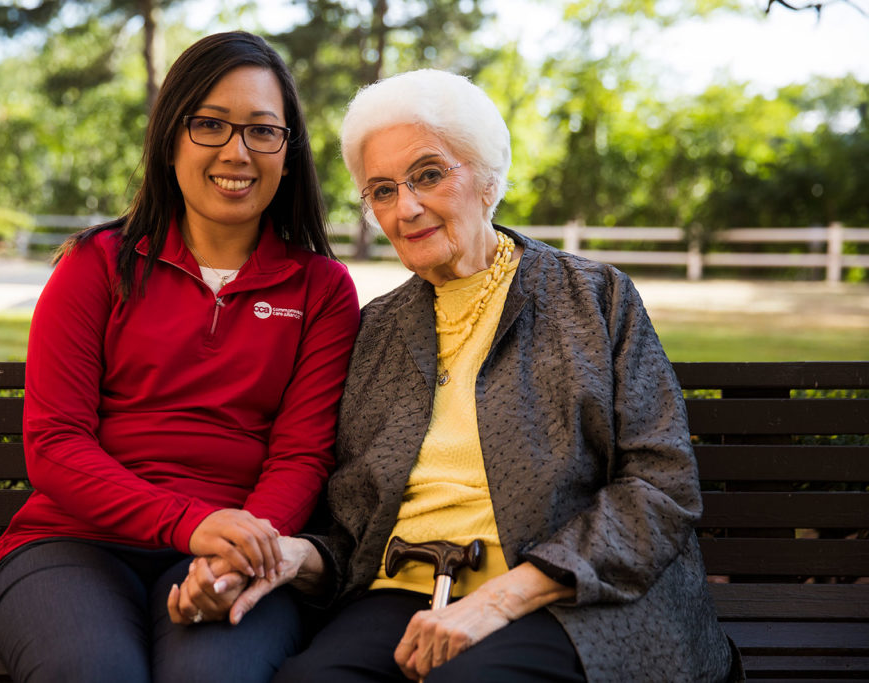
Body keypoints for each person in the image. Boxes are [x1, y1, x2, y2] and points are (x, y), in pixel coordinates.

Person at [176, 69, 742, 682]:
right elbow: (348, 527)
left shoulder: (593, 299)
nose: (406, 207)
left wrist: (497, 601)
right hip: (397, 594)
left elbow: (660, 486)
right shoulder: (376, 330)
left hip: (565, 599)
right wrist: (289, 557)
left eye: (428, 175)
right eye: (382, 190)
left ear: (487, 177)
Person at [0, 31, 360, 683]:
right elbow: (54, 442)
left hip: (235, 554)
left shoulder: (321, 290)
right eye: (209, 125)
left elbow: (301, 456)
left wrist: (237, 554)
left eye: (261, 131)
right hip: (74, 544)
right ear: (170, 137)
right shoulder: (97, 264)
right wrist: (192, 524)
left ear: (289, 151)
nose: (236, 152)